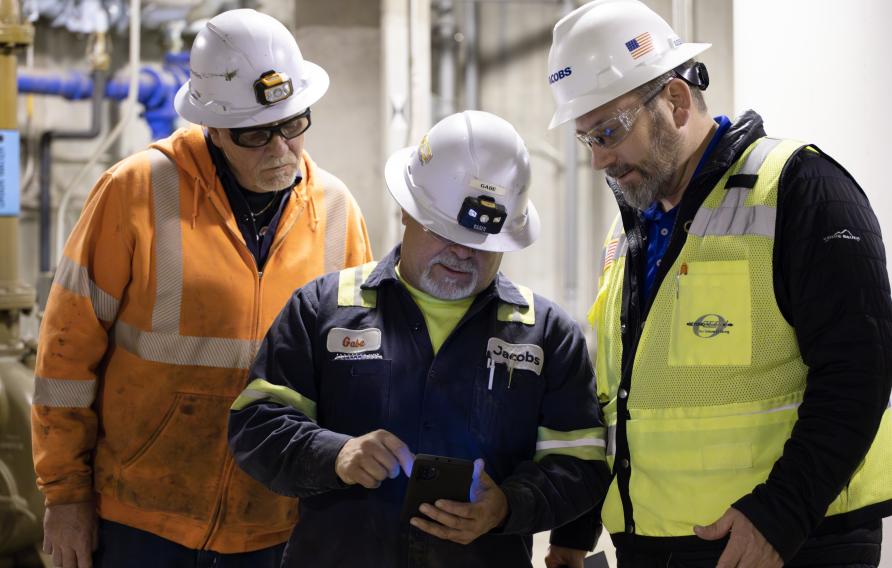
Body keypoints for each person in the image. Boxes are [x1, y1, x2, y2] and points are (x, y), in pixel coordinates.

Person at [541, 1, 892, 567]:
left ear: (676, 101)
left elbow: (861, 372)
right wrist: (576, 531)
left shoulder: (801, 190)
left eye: (609, 131)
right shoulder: (630, 230)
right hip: (658, 547)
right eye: (588, 139)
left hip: (784, 545)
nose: (600, 159)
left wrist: (779, 516)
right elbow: (620, 400)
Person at [31, 9, 373, 568]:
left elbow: (358, 370)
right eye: (256, 133)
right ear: (212, 126)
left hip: (275, 520)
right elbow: (66, 355)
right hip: (142, 515)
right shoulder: (135, 190)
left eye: (293, 124)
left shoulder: (337, 211)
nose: (281, 149)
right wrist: (65, 494)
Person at [227, 110, 611, 567]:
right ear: (407, 211)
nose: (463, 252)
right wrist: (337, 454)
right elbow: (256, 425)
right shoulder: (322, 310)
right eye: (445, 231)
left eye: (483, 243)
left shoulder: (546, 335)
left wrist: (507, 505)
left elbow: (581, 465)